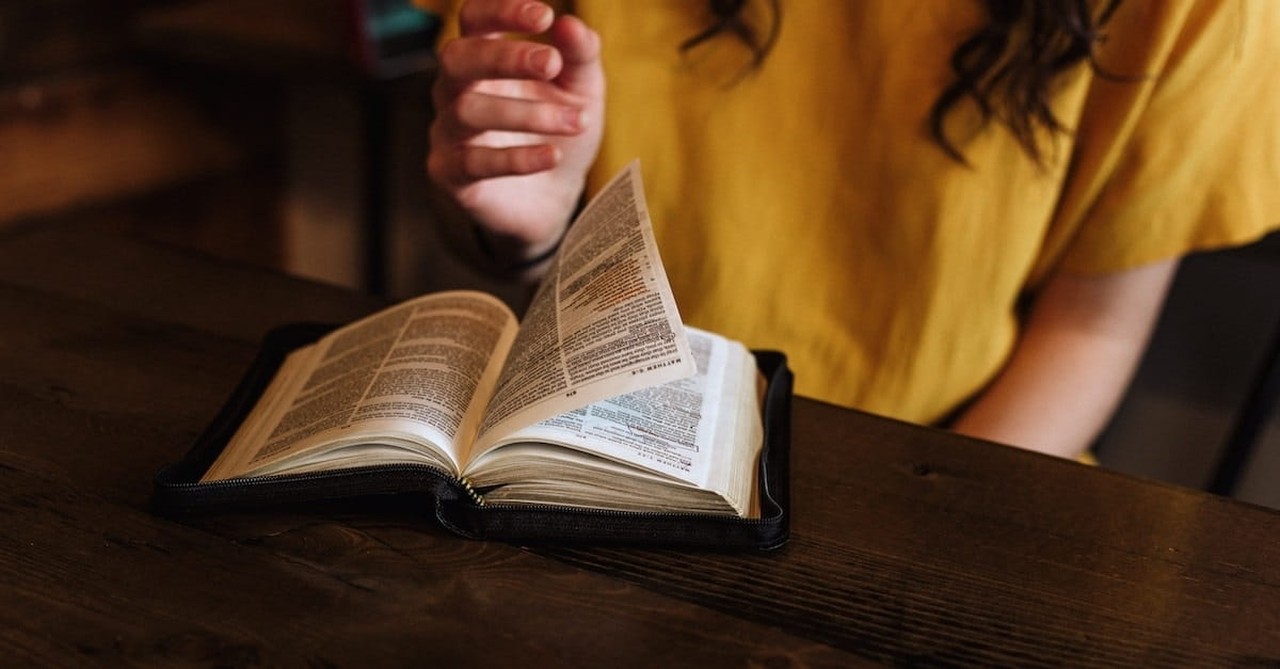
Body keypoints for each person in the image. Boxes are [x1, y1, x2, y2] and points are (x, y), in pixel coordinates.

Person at [421, 0, 1280, 461]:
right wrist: (526, 229)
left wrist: (906, 541)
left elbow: (1092, 329)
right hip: (602, 453)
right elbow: (499, 252)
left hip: (964, 474)